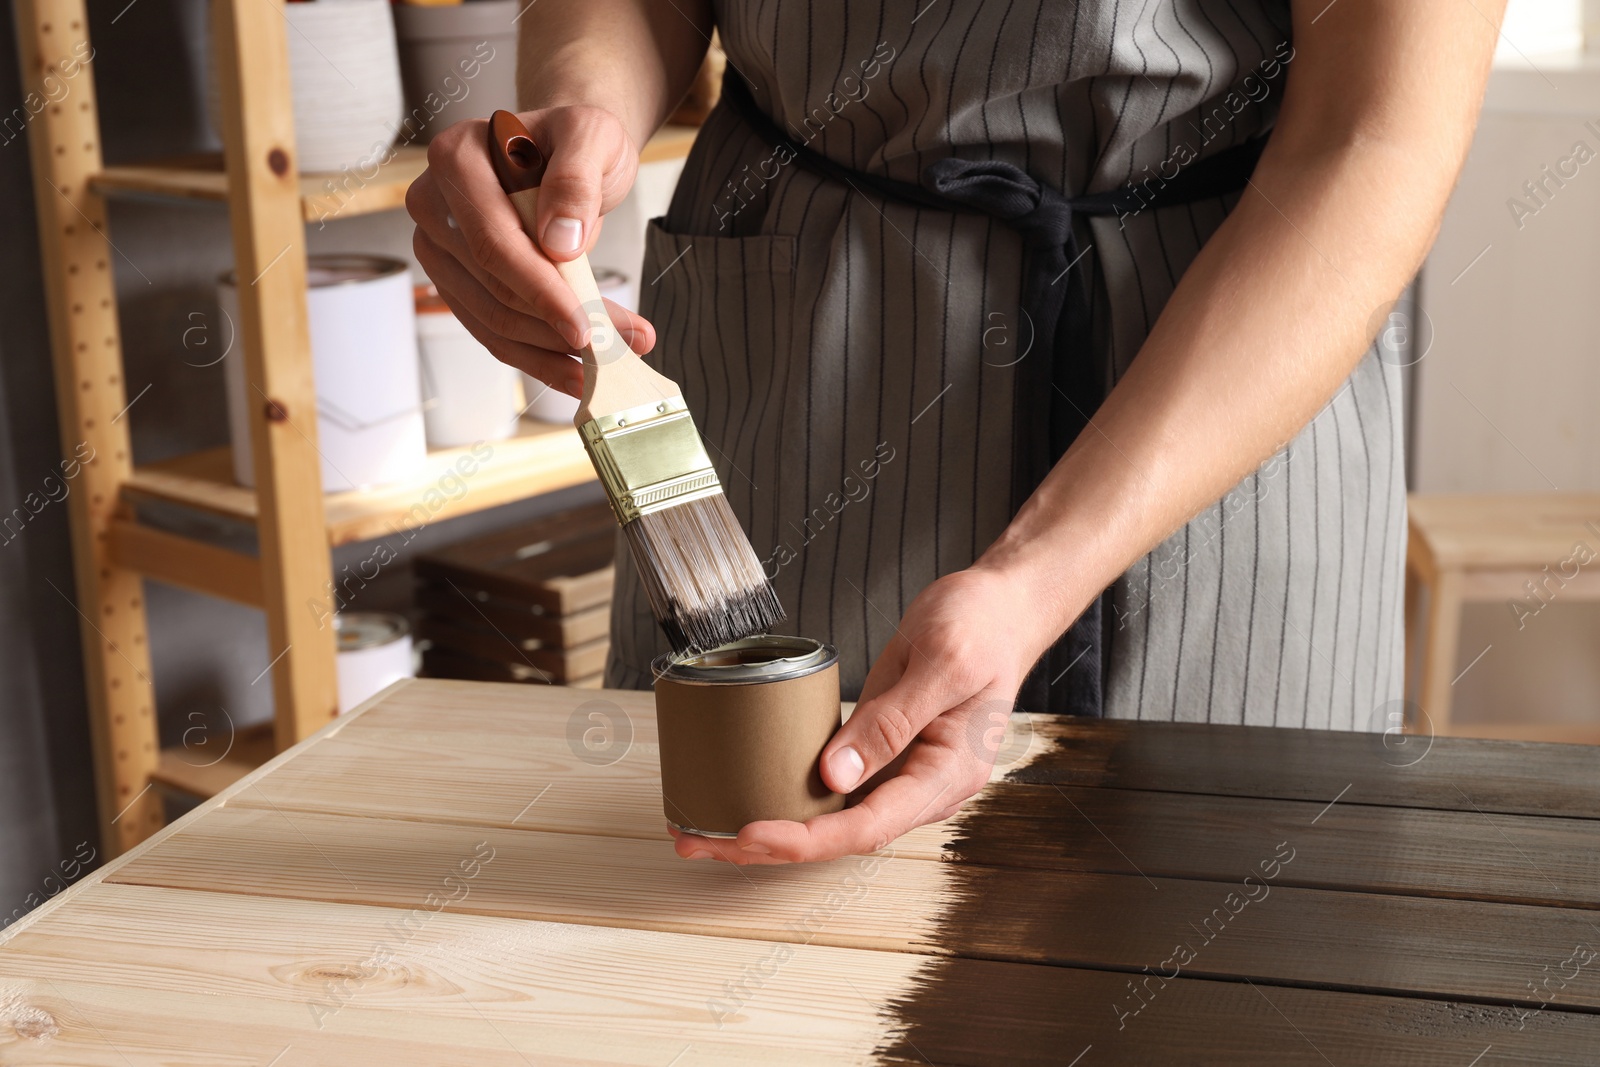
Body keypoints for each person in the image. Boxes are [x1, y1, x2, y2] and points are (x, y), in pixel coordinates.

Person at [407, 0, 1505, 865]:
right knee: (747, 940)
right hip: (797, 372)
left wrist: (1037, 573)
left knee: (1231, 967)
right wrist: (578, 110)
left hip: (1227, 386)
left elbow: (1375, 137)